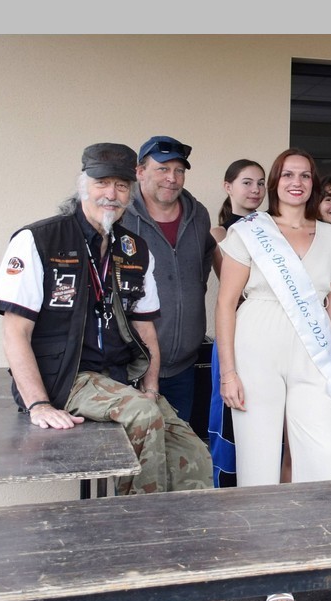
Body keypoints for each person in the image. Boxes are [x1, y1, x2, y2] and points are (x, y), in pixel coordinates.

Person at [0, 143, 247, 601]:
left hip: (119, 379)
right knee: (142, 417)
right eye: (102, 183)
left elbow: (145, 323)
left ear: (131, 190)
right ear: (83, 184)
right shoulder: (37, 239)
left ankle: (194, 593)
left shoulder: (132, 247)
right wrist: (38, 402)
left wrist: (151, 382)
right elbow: (14, 331)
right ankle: (139, 577)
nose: (111, 193)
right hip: (64, 380)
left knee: (194, 454)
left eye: (121, 185)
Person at [215, 148, 331, 601]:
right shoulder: (247, 232)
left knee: (323, 457)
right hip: (256, 343)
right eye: (288, 175)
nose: (296, 182)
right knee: (259, 459)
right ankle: (274, 566)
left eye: (305, 175)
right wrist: (228, 371)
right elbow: (226, 303)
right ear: (275, 181)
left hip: (312, 351)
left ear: (313, 183)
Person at [120, 136, 215, 425]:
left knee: (177, 445)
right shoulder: (120, 216)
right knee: (133, 447)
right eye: (162, 169)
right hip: (128, 366)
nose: (172, 178)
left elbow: (201, 269)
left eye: (179, 170)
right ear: (140, 172)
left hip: (182, 366)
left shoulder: (198, 215)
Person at [207, 159, 266, 487]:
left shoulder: (273, 228)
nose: (255, 190)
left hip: (268, 338)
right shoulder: (220, 233)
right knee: (231, 417)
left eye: (261, 183)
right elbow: (237, 293)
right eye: (247, 182)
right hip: (237, 334)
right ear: (228, 186)